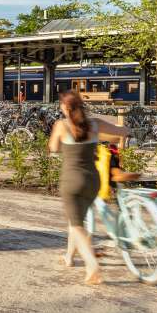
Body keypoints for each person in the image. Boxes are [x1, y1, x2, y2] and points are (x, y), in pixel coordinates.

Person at [48, 90, 129, 285]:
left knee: (76, 226)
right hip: (93, 181)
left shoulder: (61, 125)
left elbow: (53, 148)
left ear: (66, 108)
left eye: (61, 105)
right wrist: (112, 141)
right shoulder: (96, 124)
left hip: (71, 181)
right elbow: (124, 131)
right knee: (75, 220)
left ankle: (92, 265)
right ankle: (69, 257)